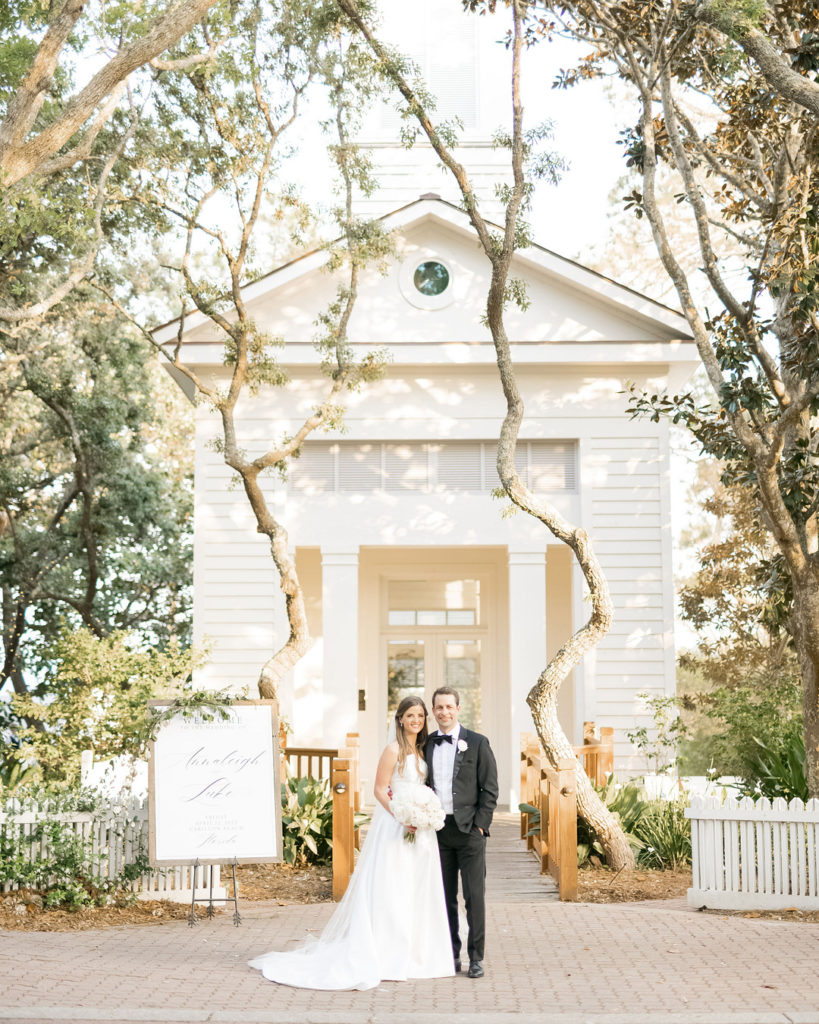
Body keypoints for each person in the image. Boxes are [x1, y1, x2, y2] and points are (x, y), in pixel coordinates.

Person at [248, 696, 454, 990]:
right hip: (395, 825)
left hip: (421, 830)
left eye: (420, 715)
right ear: (400, 719)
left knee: (418, 888)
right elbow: (379, 790)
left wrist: (425, 813)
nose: (416, 720)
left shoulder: (424, 749)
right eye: (410, 715)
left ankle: (417, 956)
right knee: (393, 886)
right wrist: (401, 816)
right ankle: (388, 954)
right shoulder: (392, 750)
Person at [425, 686, 498, 980]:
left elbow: (489, 788)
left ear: (458, 709)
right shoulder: (426, 744)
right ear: (433, 711)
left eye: (449, 707)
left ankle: (476, 958)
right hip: (437, 831)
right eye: (439, 707)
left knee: (474, 897)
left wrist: (481, 825)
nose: (444, 712)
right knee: (444, 898)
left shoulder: (478, 743)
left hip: (469, 831)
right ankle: (451, 954)